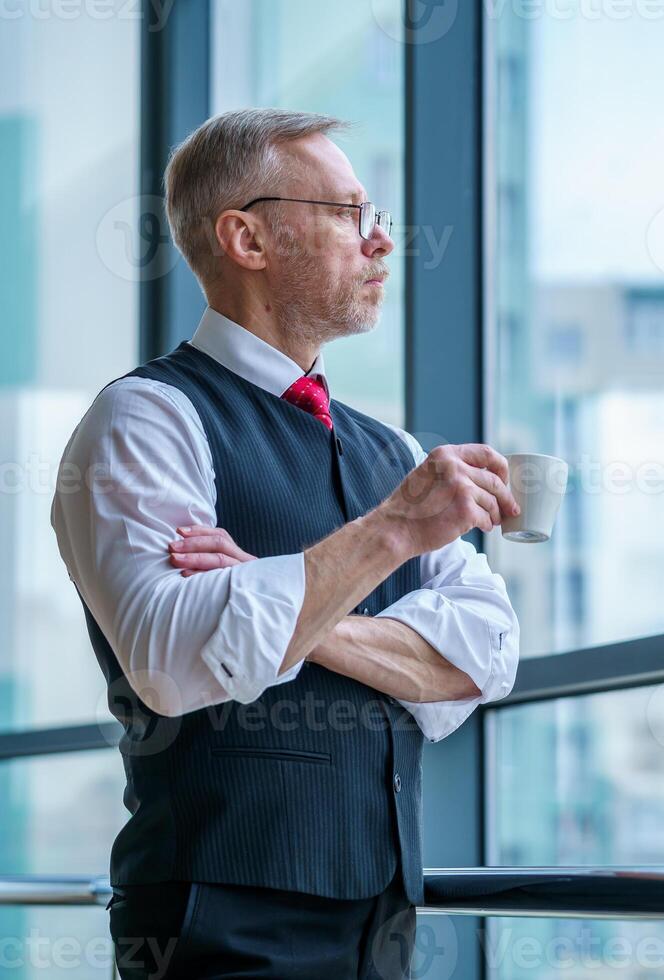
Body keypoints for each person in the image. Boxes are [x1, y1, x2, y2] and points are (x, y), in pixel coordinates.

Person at [51, 108, 521, 979]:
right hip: (214, 917)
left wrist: (277, 602)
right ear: (248, 238)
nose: (381, 243)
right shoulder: (147, 417)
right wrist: (392, 535)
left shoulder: (398, 452)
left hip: (384, 919)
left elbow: (481, 658)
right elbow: (173, 659)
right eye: (349, 214)